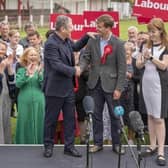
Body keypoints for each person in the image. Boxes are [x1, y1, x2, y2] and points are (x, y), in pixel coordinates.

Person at [43, 15, 96, 158]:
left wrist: (87, 36)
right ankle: (48, 146)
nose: (72, 28)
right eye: (71, 26)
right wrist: (75, 70)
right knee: (51, 120)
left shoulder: (66, 40)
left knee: (70, 120)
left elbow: (76, 46)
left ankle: (69, 146)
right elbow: (56, 65)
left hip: (68, 88)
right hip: (54, 89)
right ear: (62, 28)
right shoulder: (50, 44)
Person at [79, 14, 126, 154]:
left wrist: (119, 88)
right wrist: (80, 68)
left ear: (108, 28)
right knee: (96, 114)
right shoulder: (92, 40)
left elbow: (122, 68)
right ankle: (98, 143)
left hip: (112, 86)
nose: (96, 29)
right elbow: (85, 57)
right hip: (94, 84)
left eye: (99, 27)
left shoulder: (118, 43)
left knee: (115, 116)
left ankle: (117, 144)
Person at [136, 18, 168, 166]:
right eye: (149, 31)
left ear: (161, 31)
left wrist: (151, 57)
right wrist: (143, 59)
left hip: (159, 86)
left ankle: (161, 151)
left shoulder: (166, 46)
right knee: (149, 115)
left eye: (153, 31)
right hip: (146, 84)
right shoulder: (144, 44)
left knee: (159, 118)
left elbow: (163, 66)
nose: (151, 34)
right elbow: (138, 64)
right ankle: (152, 146)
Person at [15, 47, 45, 144]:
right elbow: (18, 84)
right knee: (24, 120)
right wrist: (27, 74)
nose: (33, 57)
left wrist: (40, 74)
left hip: (39, 98)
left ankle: (40, 142)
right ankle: (23, 143)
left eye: (35, 55)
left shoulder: (41, 70)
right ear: (26, 57)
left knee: (39, 119)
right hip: (24, 99)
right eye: (31, 55)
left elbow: (44, 85)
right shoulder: (21, 70)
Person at [0, 40, 14, 144]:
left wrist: (9, 67)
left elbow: (11, 79)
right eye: (0, 49)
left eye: (4, 49)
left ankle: (6, 143)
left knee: (5, 120)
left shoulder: (4, 60)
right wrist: (1, 69)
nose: (2, 51)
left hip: (5, 95)